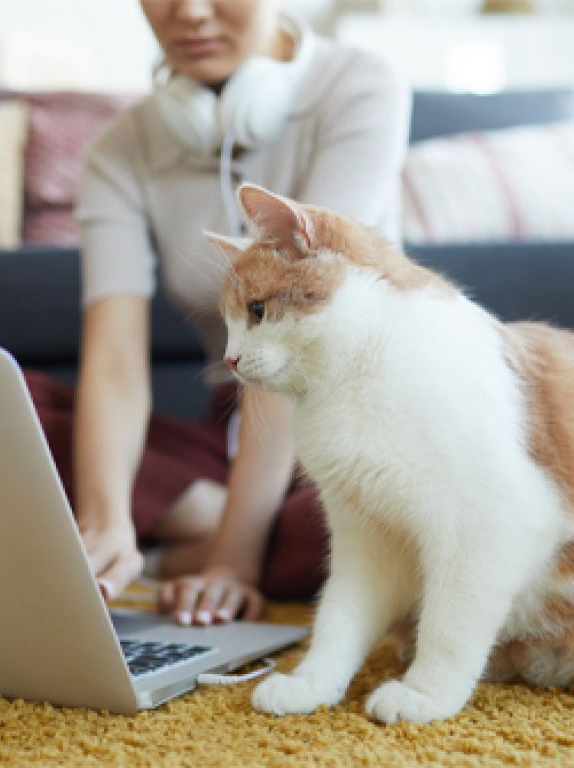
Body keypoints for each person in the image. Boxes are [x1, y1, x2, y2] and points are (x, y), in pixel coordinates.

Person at [24, 0, 410, 626]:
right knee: (6, 412)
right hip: (228, 430)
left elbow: (299, 337)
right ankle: (196, 517)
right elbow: (116, 359)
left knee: (395, 517)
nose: (190, 14)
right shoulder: (119, 151)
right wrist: (104, 522)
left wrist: (232, 558)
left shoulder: (358, 86)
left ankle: (199, 533)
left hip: (353, 426)